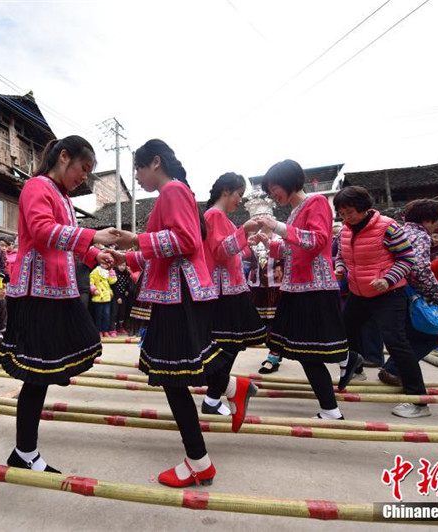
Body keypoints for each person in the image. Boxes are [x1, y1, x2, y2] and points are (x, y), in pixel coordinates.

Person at [108, 139, 255, 488]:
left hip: (180, 294)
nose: (138, 177)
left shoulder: (172, 191)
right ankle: (232, 389)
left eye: (139, 169)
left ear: (155, 162)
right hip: (180, 291)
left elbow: (185, 241)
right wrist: (128, 257)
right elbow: (167, 245)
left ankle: (199, 460)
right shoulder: (177, 193)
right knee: (180, 369)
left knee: (172, 375)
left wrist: (135, 241)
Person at [0, 135, 116, 473]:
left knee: (82, 345)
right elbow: (41, 231)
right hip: (37, 292)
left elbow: (67, 239)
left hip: (58, 289)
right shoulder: (37, 186)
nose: (85, 177)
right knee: (36, 377)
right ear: (64, 157)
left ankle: (26, 447)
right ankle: (25, 452)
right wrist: (93, 237)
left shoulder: (62, 197)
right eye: (84, 168)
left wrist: (99, 255)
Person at [256, 160, 348, 421]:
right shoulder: (295, 212)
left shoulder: (316, 202)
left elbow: (317, 241)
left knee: (309, 352)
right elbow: (292, 249)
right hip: (298, 288)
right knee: (301, 350)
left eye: (274, 188)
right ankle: (333, 400)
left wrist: (276, 227)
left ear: (289, 182)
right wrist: (269, 242)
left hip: (314, 287)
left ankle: (333, 403)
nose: (273, 194)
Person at [332, 186, 431, 419]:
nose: (346, 218)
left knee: (396, 342)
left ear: (364, 209)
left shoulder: (387, 227)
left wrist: (388, 279)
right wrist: (340, 268)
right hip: (359, 292)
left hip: (388, 294)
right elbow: (342, 256)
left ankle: (419, 400)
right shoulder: (344, 231)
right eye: (342, 213)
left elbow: (407, 259)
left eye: (350, 212)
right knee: (346, 331)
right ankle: (355, 370)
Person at [201, 172, 267, 415]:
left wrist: (245, 239)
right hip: (224, 290)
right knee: (227, 346)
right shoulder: (215, 215)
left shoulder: (219, 216)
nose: (240, 200)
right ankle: (216, 396)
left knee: (230, 346)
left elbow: (230, 251)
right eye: (239, 194)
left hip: (230, 287)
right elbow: (220, 251)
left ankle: (212, 399)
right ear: (226, 191)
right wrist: (244, 231)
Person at [379, 199, 438, 386]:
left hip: (389, 289)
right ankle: (393, 371)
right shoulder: (420, 235)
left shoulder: (399, 230)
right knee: (428, 338)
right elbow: (418, 269)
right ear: (427, 220)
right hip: (407, 292)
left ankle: (391, 370)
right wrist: (437, 294)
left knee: (405, 337)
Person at [89, 263, 117, 336]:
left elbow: (112, 281)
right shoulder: (95, 271)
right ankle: (99, 330)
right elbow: (90, 282)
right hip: (98, 296)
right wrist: (94, 290)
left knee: (107, 315)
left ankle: (105, 330)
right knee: (99, 315)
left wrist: (111, 271)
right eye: (103, 263)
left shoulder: (107, 271)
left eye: (106, 264)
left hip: (106, 296)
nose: (105, 265)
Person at [113, 262, 134, 334]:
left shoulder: (126, 274)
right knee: (115, 311)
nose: (122, 267)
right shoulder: (114, 273)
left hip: (124, 295)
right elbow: (114, 286)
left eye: (123, 265)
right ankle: (114, 328)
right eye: (120, 265)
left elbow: (128, 283)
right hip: (116, 295)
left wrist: (127, 290)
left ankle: (121, 327)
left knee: (123, 311)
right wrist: (118, 297)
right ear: (117, 265)